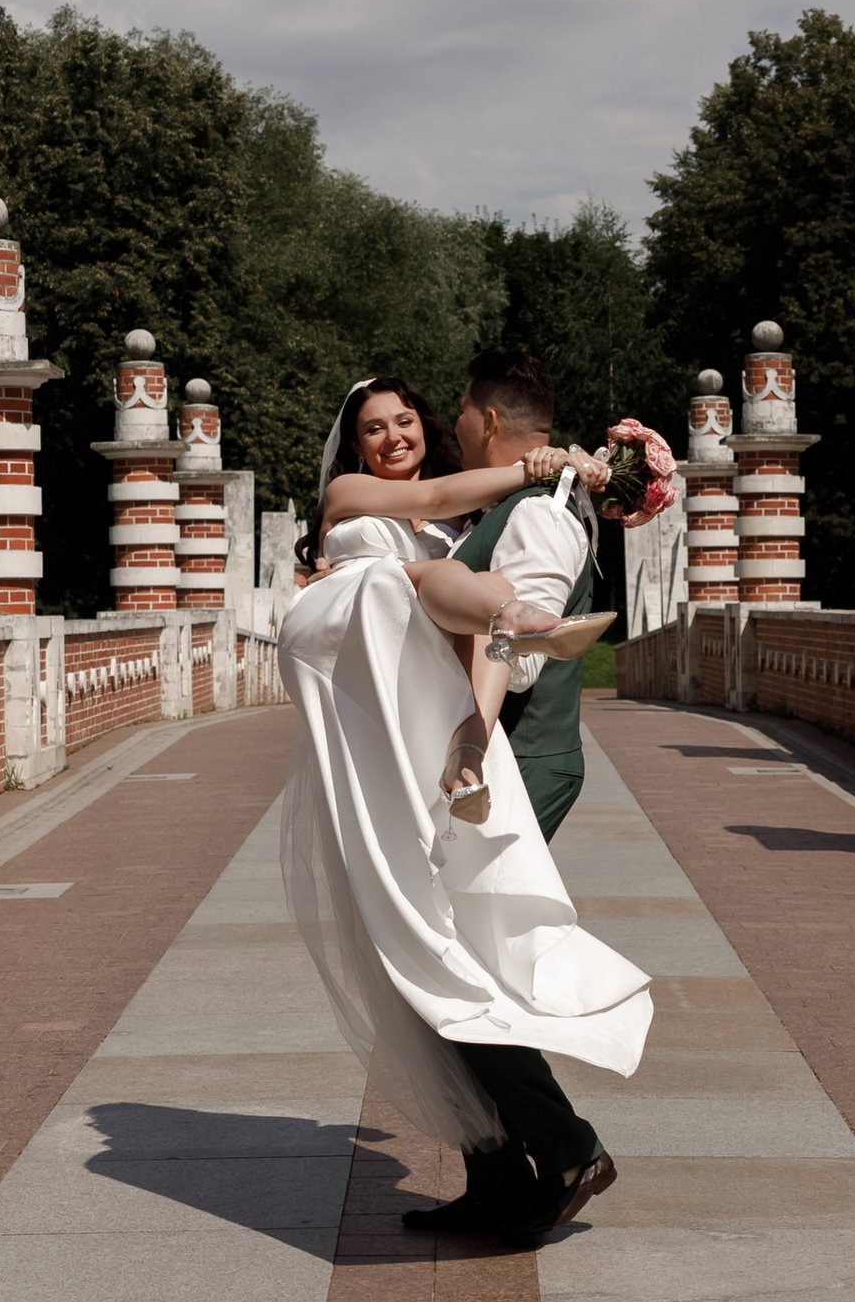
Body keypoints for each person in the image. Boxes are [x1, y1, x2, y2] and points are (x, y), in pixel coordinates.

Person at [278, 367, 650, 1239]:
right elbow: (441, 495)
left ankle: (557, 1149)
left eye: (407, 420)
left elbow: (493, 634)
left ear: (456, 421)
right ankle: (497, 1170)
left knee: (443, 960)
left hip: (473, 743)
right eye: (375, 426)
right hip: (396, 735)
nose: (394, 436)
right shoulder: (380, 500)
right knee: (423, 958)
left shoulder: (496, 524)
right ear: (354, 443)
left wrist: (476, 733)